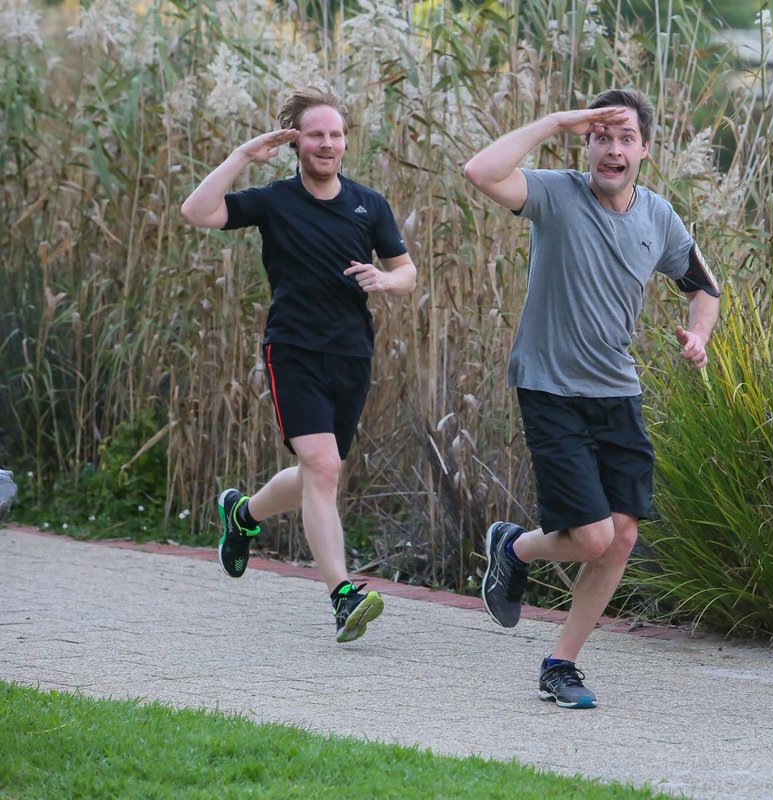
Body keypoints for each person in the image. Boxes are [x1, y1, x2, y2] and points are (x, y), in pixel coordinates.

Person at [463, 89, 721, 709]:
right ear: (587, 144)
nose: (613, 148)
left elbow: (704, 288)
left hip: (617, 392)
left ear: (644, 151)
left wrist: (699, 335)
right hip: (549, 387)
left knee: (623, 538)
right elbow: (479, 171)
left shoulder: (659, 218)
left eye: (625, 137)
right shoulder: (555, 194)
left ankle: (561, 664)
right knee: (595, 538)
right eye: (602, 136)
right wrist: (554, 120)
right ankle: (515, 547)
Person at [181, 89, 417, 643]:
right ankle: (342, 595)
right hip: (292, 350)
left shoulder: (369, 204)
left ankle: (243, 515)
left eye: (336, 135)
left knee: (321, 469)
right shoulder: (274, 200)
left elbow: (407, 273)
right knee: (323, 467)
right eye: (316, 135)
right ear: (296, 141)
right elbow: (196, 212)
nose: (328, 144)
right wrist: (241, 156)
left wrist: (386, 280)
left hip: (352, 352)